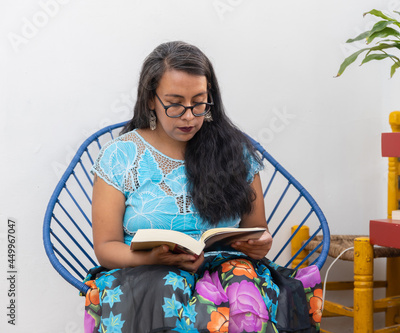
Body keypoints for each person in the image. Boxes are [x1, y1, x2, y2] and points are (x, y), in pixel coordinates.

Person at [83, 41, 323, 333]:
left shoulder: (234, 151)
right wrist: (149, 257)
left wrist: (260, 245)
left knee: (241, 292)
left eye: (199, 102)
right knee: (163, 290)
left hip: (225, 269)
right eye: (174, 104)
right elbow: (106, 247)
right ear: (150, 99)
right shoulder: (120, 156)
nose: (189, 116)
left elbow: (257, 230)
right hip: (148, 271)